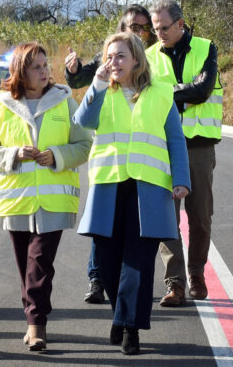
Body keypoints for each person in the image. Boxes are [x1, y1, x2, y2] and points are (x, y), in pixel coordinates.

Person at [75, 31, 190, 355]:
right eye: (109, 56)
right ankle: (121, 315)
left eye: (120, 56)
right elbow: (83, 121)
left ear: (136, 59)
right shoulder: (101, 93)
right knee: (109, 262)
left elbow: (175, 140)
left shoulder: (161, 94)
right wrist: (95, 85)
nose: (113, 62)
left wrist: (181, 178)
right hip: (109, 186)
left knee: (138, 263)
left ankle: (131, 329)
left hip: (149, 188)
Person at [0, 42, 91, 351]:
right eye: (37, 67)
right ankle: (34, 317)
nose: (45, 71)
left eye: (46, 65)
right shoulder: (1, 106)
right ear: (20, 71)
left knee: (39, 262)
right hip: (15, 200)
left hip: (54, 200)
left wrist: (56, 155)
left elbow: (84, 144)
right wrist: (14, 154)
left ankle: (36, 325)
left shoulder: (65, 102)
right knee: (26, 266)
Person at [65, 4, 155, 304]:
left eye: (143, 26)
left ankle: (172, 283)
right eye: (132, 25)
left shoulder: (157, 58)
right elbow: (85, 83)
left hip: (147, 167)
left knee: (143, 239)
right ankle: (97, 279)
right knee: (104, 230)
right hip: (110, 169)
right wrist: (75, 70)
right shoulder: (114, 57)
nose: (138, 31)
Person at [147, 0, 222, 307]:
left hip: (200, 145)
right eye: (155, 29)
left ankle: (197, 273)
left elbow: (203, 90)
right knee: (167, 219)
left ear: (180, 23)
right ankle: (175, 284)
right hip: (163, 147)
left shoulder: (206, 48)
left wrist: (168, 93)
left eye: (165, 27)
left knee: (200, 217)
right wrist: (181, 91)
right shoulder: (148, 55)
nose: (159, 34)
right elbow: (146, 93)